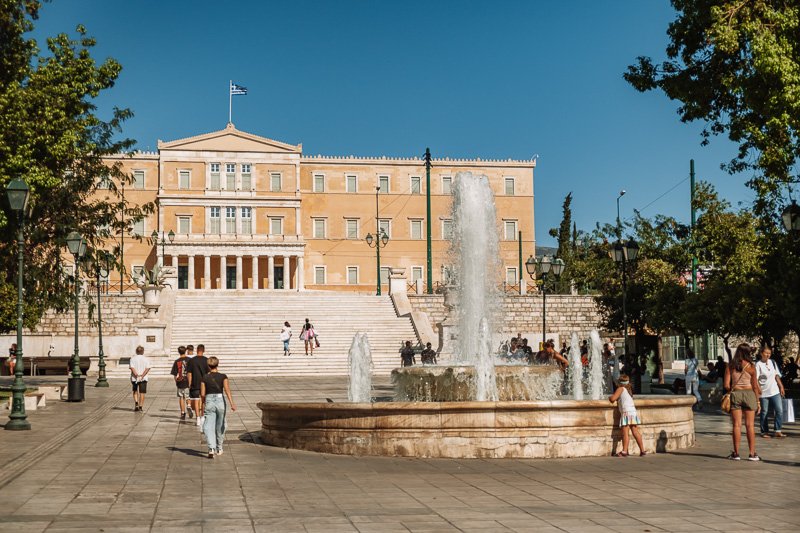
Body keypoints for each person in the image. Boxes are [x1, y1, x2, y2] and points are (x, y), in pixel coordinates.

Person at [724, 343, 762, 461]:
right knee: (750, 425)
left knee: (736, 425)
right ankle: (752, 454)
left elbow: (726, 385)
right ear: (748, 352)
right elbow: (755, 386)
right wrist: (758, 402)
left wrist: (733, 391)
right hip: (750, 394)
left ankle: (736, 453)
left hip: (736, 394)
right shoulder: (751, 366)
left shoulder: (731, 365)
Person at [201, 356, 236, 458]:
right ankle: (219, 447)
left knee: (208, 425)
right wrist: (232, 403)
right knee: (221, 424)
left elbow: (202, 394)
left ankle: (211, 448)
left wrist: (203, 405)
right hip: (220, 400)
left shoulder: (205, 377)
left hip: (209, 400)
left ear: (208, 366)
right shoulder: (223, 376)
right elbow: (227, 390)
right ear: (218, 364)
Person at [608, 374, 646, 457]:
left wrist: (609, 397)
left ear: (619, 382)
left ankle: (624, 451)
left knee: (625, 432)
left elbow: (612, 399)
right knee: (635, 431)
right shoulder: (628, 389)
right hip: (632, 411)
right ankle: (642, 450)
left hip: (626, 412)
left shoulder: (620, 389)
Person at [755, 345, 785, 439]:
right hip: (763, 392)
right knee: (764, 412)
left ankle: (777, 430)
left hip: (774, 391)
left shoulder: (773, 362)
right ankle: (764, 431)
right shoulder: (758, 364)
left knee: (779, 410)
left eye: (769, 353)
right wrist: (758, 390)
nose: (768, 355)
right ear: (761, 353)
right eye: (766, 353)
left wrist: (781, 386)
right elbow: (756, 379)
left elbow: (776, 375)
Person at [187, 344, 210, 428]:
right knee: (203, 401)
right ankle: (202, 416)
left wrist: (189, 384)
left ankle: (197, 418)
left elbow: (189, 373)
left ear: (197, 350)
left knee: (196, 401)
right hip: (205, 383)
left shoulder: (192, 360)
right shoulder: (207, 360)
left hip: (195, 383)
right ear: (203, 350)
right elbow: (209, 373)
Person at [170, 346, 191, 420]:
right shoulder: (190, 360)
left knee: (181, 397)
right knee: (188, 396)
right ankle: (188, 405)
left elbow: (175, 374)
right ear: (185, 351)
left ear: (178, 352)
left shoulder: (177, 361)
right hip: (188, 381)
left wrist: (176, 382)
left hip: (180, 381)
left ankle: (183, 412)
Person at [129, 346, 151, 412]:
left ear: (136, 351)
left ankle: (136, 402)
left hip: (134, 378)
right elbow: (147, 369)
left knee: (135, 390)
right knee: (142, 392)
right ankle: (141, 406)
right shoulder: (146, 359)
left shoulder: (132, 359)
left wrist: (136, 375)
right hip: (143, 378)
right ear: (143, 351)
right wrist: (142, 376)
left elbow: (132, 368)